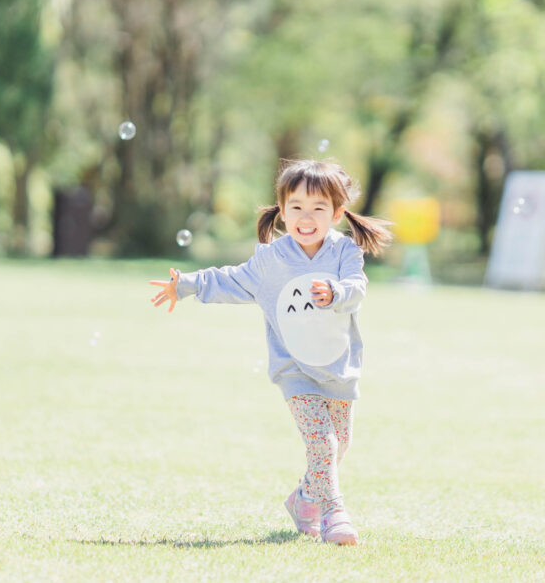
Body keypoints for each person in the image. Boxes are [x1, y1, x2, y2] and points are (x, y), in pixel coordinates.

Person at [149, 159, 392, 546]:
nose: (306, 217)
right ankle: (334, 514)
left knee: (339, 443)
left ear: (337, 213)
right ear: (282, 210)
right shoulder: (270, 259)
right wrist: (188, 284)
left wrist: (337, 293)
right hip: (294, 369)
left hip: (338, 367)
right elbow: (231, 278)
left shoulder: (346, 251)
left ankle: (305, 498)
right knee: (322, 443)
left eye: (318, 208)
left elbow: (357, 287)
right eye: (296, 207)